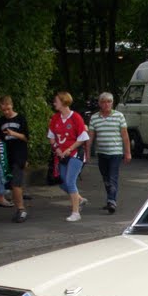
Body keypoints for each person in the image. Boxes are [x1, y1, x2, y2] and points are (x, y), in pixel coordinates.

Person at [86, 92, 131, 214]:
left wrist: (128, 152)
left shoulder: (119, 116)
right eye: (104, 102)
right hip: (102, 153)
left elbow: (125, 136)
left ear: (112, 103)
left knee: (112, 177)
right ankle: (110, 199)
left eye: (109, 101)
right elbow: (90, 137)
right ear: (100, 104)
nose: (106, 104)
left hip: (115, 153)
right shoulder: (95, 118)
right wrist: (88, 152)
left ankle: (112, 201)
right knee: (106, 178)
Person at [47, 90, 89, 222]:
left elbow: (82, 138)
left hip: (75, 154)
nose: (54, 103)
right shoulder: (55, 118)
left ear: (63, 101)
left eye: (56, 101)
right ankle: (80, 199)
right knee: (63, 183)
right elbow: (51, 137)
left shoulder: (76, 117)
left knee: (70, 182)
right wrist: (57, 149)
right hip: (62, 155)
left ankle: (75, 212)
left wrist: (69, 149)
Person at [0, 95, 29, 223]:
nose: (6, 112)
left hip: (19, 154)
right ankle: (18, 208)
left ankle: (21, 209)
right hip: (7, 155)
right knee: (11, 183)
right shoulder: (0, 121)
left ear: (12, 105)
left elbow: (26, 137)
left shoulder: (20, 119)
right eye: (3, 110)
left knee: (16, 182)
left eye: (8, 109)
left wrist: (13, 133)